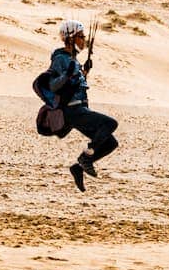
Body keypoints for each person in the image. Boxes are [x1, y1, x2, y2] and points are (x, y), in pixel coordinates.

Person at [46, 16, 119, 193]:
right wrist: (68, 75)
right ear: (70, 38)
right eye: (81, 36)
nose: (84, 40)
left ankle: (78, 168)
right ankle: (85, 157)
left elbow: (74, 84)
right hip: (72, 110)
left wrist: (84, 73)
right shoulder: (60, 58)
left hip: (81, 108)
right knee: (110, 123)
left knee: (110, 143)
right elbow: (53, 85)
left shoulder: (74, 59)